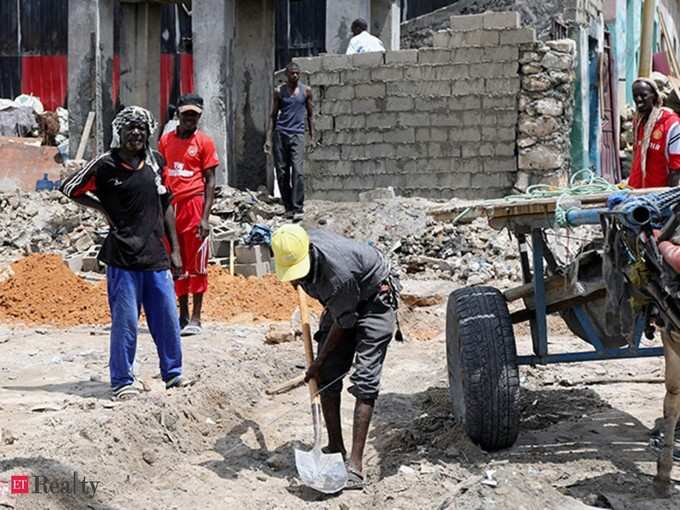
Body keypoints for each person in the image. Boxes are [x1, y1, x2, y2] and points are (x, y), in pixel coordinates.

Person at [60, 106, 189, 399]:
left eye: (141, 128)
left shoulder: (156, 161)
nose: (136, 133)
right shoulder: (105, 164)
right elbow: (69, 187)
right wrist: (102, 207)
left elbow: (167, 205)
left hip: (156, 256)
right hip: (123, 258)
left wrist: (176, 251)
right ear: (120, 132)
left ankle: (173, 373)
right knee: (126, 323)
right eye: (130, 127)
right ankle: (121, 380)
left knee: (167, 318)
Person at [271, 225, 401, 490]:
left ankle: (355, 465)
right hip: (343, 302)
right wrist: (322, 366)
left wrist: (317, 362)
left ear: (309, 253)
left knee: (365, 380)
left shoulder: (336, 275)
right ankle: (334, 447)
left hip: (375, 300)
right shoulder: (293, 242)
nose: (296, 281)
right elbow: (340, 312)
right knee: (328, 375)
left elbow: (344, 324)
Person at [159, 94, 219, 336]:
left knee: (197, 264)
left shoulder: (204, 143)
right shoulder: (165, 141)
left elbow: (211, 181)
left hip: (194, 205)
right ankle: (181, 314)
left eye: (194, 115)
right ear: (178, 115)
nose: (190, 119)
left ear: (199, 116)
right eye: (186, 114)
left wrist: (205, 217)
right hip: (171, 206)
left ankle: (196, 317)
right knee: (177, 260)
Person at [265, 62, 315, 221]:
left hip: (298, 135)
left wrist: (312, 137)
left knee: (298, 171)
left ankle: (298, 207)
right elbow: (273, 116)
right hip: (281, 134)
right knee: (282, 171)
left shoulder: (306, 91)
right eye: (292, 73)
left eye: (297, 73)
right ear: (286, 75)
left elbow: (311, 115)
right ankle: (288, 207)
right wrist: (268, 139)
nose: (295, 76)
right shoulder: (279, 92)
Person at [628, 78, 680, 189]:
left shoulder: (671, 124)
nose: (639, 100)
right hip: (635, 193)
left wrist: (670, 199)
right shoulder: (638, 122)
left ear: (655, 96)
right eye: (635, 95)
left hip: (657, 196)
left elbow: (675, 168)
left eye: (643, 95)